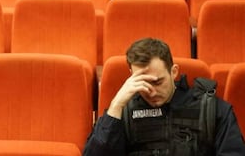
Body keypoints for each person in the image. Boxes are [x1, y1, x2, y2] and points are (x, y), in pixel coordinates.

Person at [84, 37, 245, 156]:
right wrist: (116, 106)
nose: (151, 92)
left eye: (158, 82)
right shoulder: (122, 113)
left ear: (173, 72)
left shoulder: (211, 109)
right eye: (143, 83)